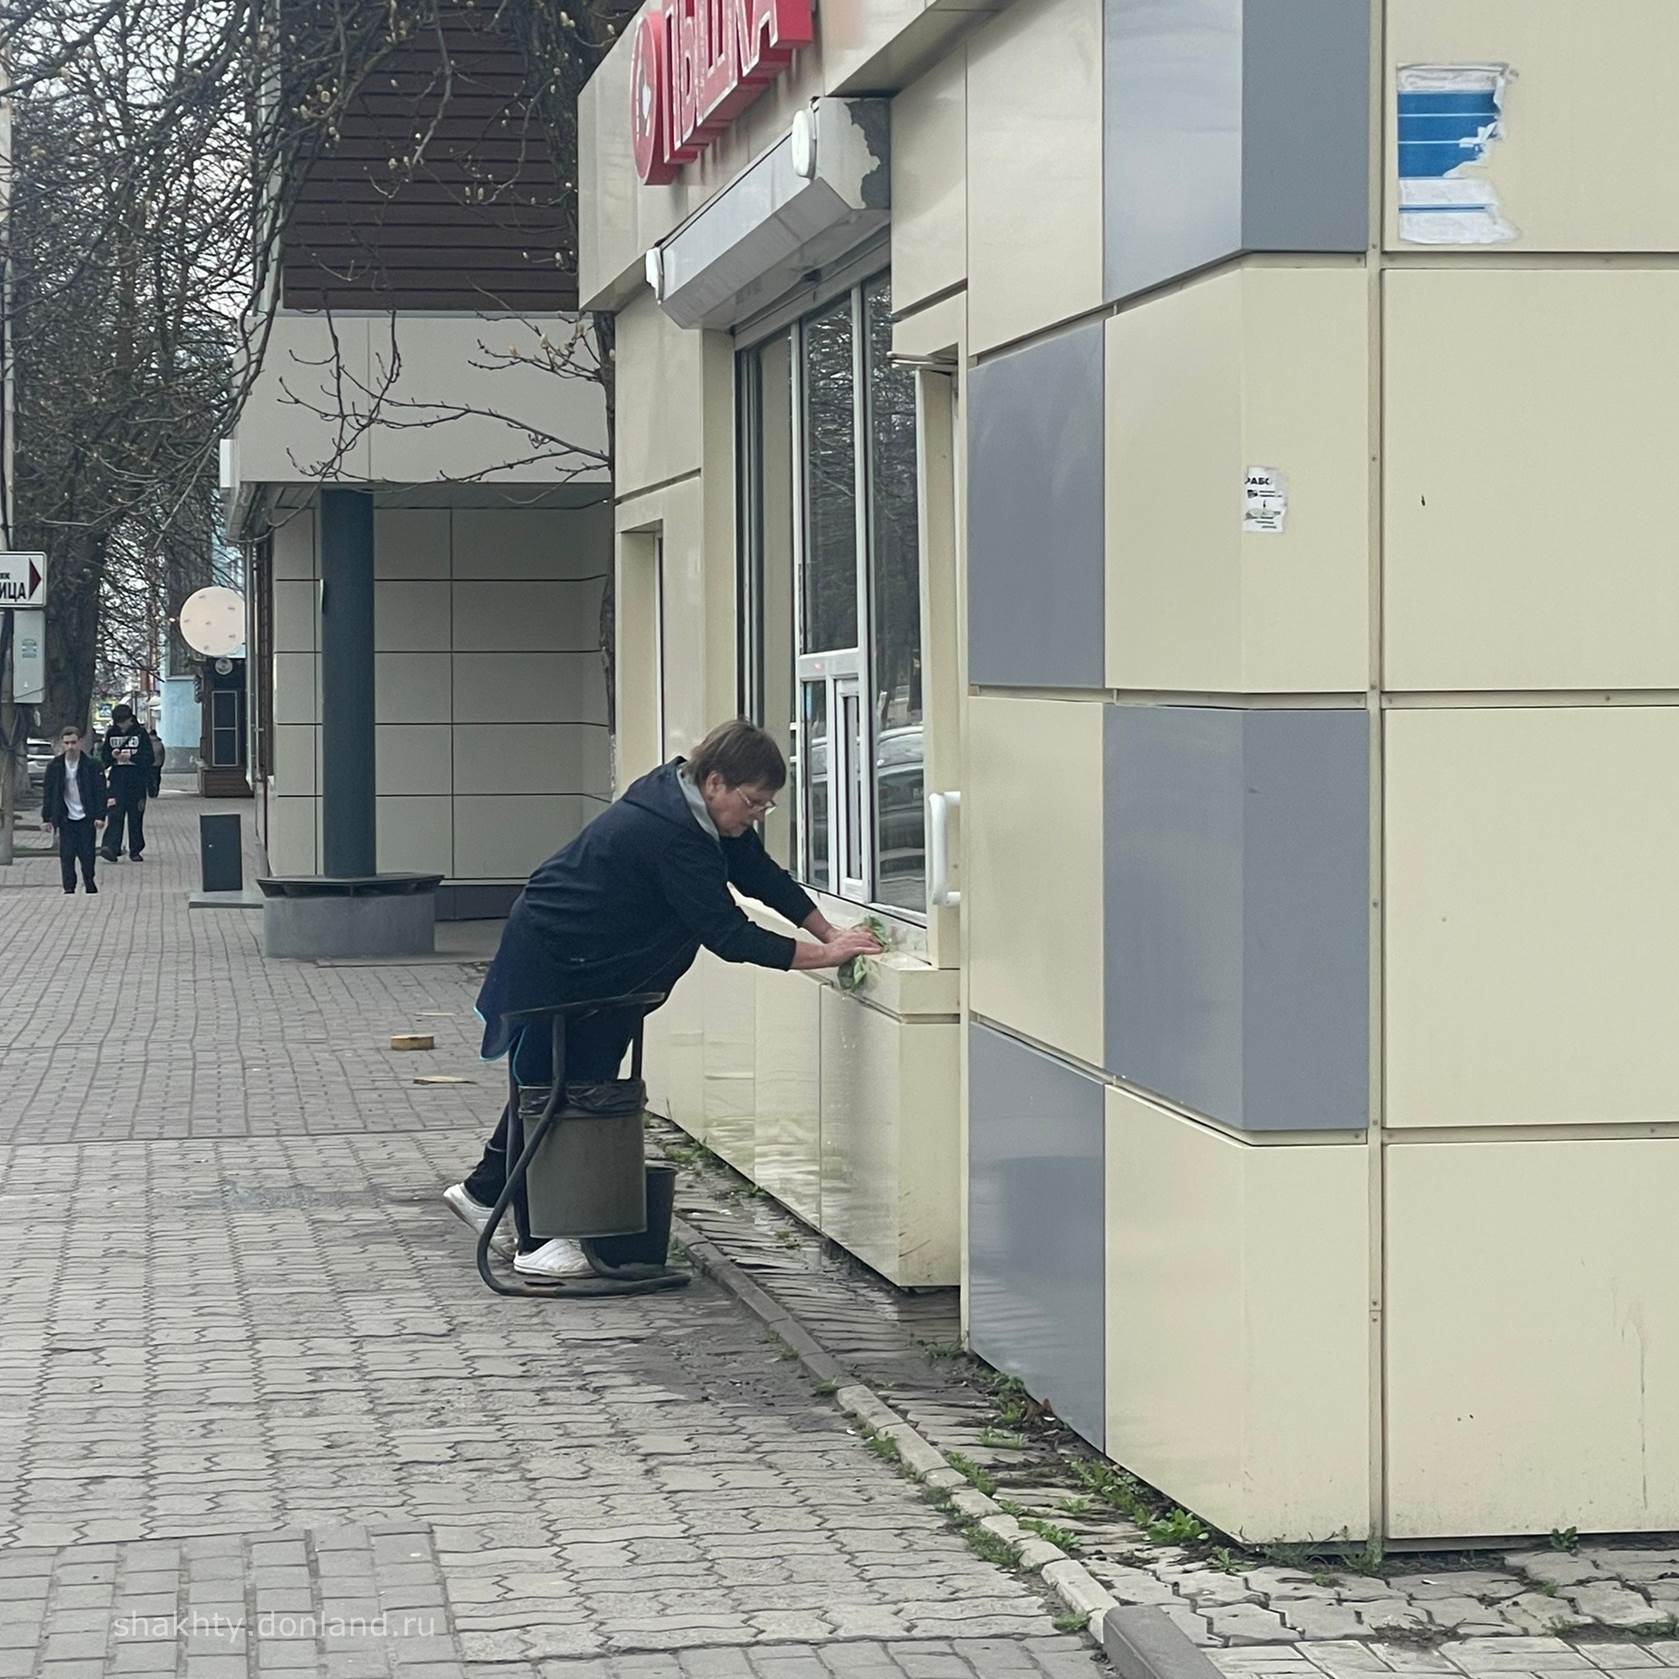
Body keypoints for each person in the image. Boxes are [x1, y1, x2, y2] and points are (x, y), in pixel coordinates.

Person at [445, 718, 883, 1280]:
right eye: (753, 803)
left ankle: (483, 1192)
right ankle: (538, 1241)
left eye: (766, 808)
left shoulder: (698, 813)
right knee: (558, 1089)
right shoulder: (675, 834)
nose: (756, 816)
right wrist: (827, 955)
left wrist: (827, 931)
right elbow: (729, 934)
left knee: (569, 1085)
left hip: (603, 968)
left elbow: (759, 875)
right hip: (561, 960)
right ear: (716, 781)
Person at [41, 725, 107, 895]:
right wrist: (47, 818)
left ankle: (89, 882)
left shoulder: (92, 765)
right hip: (65, 817)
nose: (71, 747)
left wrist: (100, 816)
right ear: (62, 744)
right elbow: (49, 793)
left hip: (87, 816)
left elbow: (100, 792)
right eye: (67, 743)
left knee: (87, 853)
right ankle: (69, 887)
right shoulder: (55, 766)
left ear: (80, 742)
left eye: (74, 742)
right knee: (67, 854)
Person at [99, 703, 154, 862]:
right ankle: (110, 847)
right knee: (115, 813)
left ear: (130, 719)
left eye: (123, 722)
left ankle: (135, 849)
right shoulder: (111, 733)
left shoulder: (140, 734)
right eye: (117, 722)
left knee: (135, 816)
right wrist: (112, 756)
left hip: (136, 780)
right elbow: (104, 758)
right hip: (117, 780)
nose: (120, 725)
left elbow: (148, 757)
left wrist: (130, 758)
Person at [147, 727, 165, 799]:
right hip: (158, 763)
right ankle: (156, 790)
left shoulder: (146, 743)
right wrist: (162, 762)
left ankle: (151, 792)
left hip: (148, 763)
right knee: (157, 777)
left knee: (149, 778)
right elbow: (163, 754)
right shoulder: (160, 743)